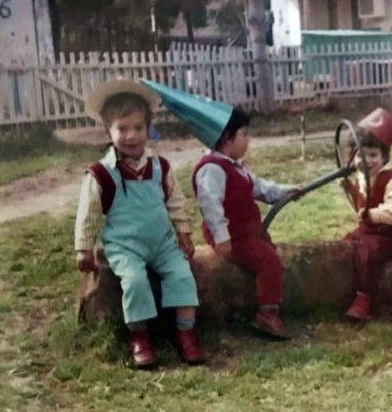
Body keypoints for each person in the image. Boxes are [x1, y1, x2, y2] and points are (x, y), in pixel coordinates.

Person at [74, 78, 205, 367]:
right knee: (134, 281)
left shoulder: (160, 167)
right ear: (108, 131)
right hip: (125, 246)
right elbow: (89, 213)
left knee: (182, 275)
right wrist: (84, 248)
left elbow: (175, 201)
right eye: (122, 129)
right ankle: (140, 336)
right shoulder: (101, 173)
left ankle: (186, 334)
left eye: (138, 128)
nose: (131, 136)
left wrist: (183, 232)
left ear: (148, 128)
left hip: (161, 243)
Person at [191, 106, 297, 339]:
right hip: (230, 235)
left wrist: (285, 192)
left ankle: (260, 297)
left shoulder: (234, 166)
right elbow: (210, 205)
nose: (248, 140)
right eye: (245, 134)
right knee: (269, 261)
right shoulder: (212, 169)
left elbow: (259, 187)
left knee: (269, 253)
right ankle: (266, 314)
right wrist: (222, 238)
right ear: (228, 137)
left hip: (245, 231)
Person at [342, 107, 392, 321]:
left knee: (367, 254)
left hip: (388, 234)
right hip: (368, 229)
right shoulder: (363, 178)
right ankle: (347, 291)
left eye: (373, 155)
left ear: (385, 157)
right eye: (361, 156)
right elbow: (360, 208)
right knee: (345, 246)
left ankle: (365, 298)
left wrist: (371, 215)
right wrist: (350, 189)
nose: (367, 161)